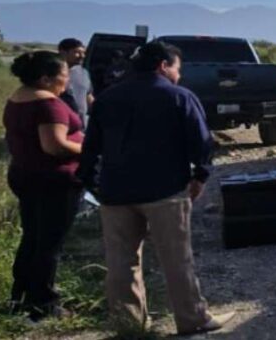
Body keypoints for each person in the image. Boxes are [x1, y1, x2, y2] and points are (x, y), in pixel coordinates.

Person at [78, 41, 232, 335]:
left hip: (115, 193)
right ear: (163, 65)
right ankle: (193, 319)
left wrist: (89, 182)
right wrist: (200, 177)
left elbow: (91, 146)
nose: (179, 75)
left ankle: (128, 324)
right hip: (165, 192)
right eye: (177, 68)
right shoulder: (179, 97)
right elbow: (201, 143)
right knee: (177, 259)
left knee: (121, 263)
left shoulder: (108, 98)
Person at [4, 51, 85, 321]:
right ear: (45, 78)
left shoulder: (17, 98)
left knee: (32, 237)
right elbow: (54, 145)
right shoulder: (48, 105)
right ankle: (44, 304)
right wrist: (87, 148)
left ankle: (20, 295)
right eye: (63, 75)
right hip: (53, 180)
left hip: (26, 174)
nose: (67, 80)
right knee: (50, 243)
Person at [58, 38, 94, 128]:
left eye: (83, 53)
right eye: (77, 52)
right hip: (59, 124)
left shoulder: (83, 73)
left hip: (81, 126)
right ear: (63, 53)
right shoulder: (51, 74)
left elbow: (88, 96)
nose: (82, 56)